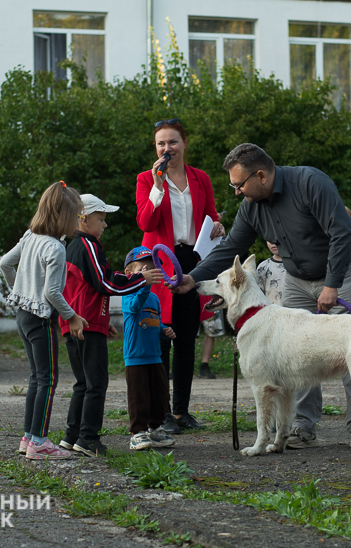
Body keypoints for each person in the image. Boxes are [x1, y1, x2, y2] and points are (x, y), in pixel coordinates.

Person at [171, 143, 351, 452]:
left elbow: (343, 234)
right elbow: (230, 249)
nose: (237, 192)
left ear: (262, 176)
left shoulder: (310, 183)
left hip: (343, 270)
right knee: (297, 350)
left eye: (239, 184)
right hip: (297, 275)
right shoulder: (251, 208)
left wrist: (332, 285)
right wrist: (193, 277)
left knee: (350, 347)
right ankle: (303, 427)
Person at [135, 118, 225, 434]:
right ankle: (161, 415)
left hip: (191, 259)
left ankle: (182, 410)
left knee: (186, 337)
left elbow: (212, 215)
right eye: (161, 143)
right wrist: (158, 188)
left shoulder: (200, 178)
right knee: (162, 337)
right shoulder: (146, 179)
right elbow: (145, 223)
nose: (167, 148)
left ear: (184, 143)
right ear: (155, 149)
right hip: (160, 262)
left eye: (172, 142)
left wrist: (218, 227)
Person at [59, 194, 161, 457]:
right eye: (101, 219)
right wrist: (140, 279)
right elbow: (105, 283)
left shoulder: (73, 246)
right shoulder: (88, 245)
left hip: (76, 322)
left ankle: (71, 436)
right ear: (83, 218)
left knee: (82, 382)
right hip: (85, 324)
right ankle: (88, 438)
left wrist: (104, 323)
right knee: (96, 383)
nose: (104, 225)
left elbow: (85, 288)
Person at [0, 181, 87, 460]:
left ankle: (28, 437)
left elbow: (4, 264)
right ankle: (39, 442)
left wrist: (20, 291)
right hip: (40, 319)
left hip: (22, 316)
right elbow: (51, 292)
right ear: (64, 216)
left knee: (36, 378)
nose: (77, 221)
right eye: (76, 215)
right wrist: (71, 316)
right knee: (48, 380)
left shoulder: (29, 237)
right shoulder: (56, 248)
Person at [121, 247, 177, 450]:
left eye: (152, 267)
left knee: (159, 394)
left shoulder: (154, 298)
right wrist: (143, 285)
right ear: (130, 273)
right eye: (144, 268)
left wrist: (164, 330)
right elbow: (135, 308)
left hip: (155, 355)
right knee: (139, 395)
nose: (149, 270)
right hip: (136, 356)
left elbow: (155, 320)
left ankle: (155, 428)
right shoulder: (128, 293)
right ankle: (138, 432)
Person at [197, 310, 225, 379]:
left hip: (210, 300)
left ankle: (205, 365)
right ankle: (180, 365)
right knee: (185, 329)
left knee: (212, 329)